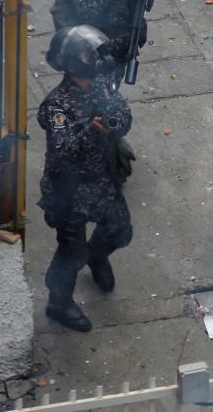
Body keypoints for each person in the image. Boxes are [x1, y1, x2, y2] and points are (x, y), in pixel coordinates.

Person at [37, 25, 134, 332]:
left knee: (120, 231)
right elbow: (62, 151)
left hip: (102, 179)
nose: (95, 59)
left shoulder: (102, 83)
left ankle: (97, 256)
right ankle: (59, 303)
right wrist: (90, 131)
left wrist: (113, 123)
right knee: (70, 253)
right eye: (87, 54)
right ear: (72, 62)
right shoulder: (58, 104)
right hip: (70, 190)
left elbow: (123, 114)